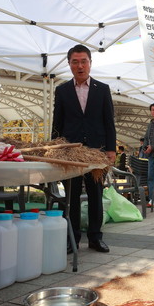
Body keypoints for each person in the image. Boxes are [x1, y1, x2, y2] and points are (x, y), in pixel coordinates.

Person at [52, 44, 116, 253]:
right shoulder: (62, 90)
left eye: (84, 61)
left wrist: (111, 149)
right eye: (75, 62)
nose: (80, 66)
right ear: (69, 64)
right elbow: (57, 123)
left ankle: (96, 238)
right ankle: (72, 239)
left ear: (90, 63)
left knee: (95, 193)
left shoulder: (102, 89)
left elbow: (109, 121)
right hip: (71, 152)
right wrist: (55, 148)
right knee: (71, 195)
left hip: (97, 151)